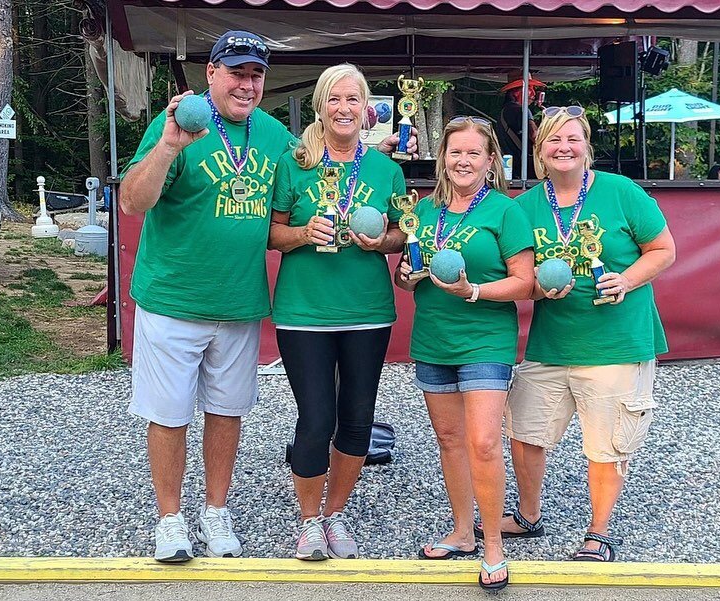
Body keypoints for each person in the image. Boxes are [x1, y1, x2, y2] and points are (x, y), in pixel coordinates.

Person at [120, 31, 415, 563]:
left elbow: (322, 161)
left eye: (256, 74)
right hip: (172, 296)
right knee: (168, 413)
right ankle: (169, 519)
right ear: (210, 73)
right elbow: (133, 201)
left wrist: (371, 152)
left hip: (240, 302)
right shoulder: (178, 127)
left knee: (226, 412)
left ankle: (215, 510)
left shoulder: (277, 136)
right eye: (236, 72)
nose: (246, 83)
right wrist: (167, 146)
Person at [501, 105, 676, 562]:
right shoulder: (523, 207)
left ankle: (597, 533)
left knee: (605, 443)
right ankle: (528, 514)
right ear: (539, 151)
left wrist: (627, 279)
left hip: (616, 342)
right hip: (552, 343)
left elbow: (663, 250)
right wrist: (537, 286)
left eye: (573, 139)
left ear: (587, 147)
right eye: (554, 141)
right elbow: (516, 272)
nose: (564, 148)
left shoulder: (620, 192)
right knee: (525, 431)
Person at [268, 63, 407, 561]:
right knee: (316, 418)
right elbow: (271, 233)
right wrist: (305, 234)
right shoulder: (296, 162)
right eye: (335, 99)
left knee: (356, 419)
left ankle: (336, 514)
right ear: (321, 107)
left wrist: (381, 242)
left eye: (354, 100)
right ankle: (308, 522)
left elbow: (401, 233)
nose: (345, 109)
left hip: (367, 311)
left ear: (366, 109)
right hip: (303, 312)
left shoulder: (385, 169)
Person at [395, 116, 535, 590]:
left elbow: (526, 281)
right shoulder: (425, 211)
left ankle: (492, 543)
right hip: (434, 338)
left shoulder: (504, 211)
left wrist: (474, 290)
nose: (463, 160)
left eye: (474, 153)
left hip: (485, 340)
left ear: (490, 160)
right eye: (455, 152)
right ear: (443, 158)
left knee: (483, 442)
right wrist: (405, 275)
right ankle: (462, 532)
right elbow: (407, 269)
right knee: (450, 440)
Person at [495, 73, 545, 180]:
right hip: (527, 172)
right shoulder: (522, 111)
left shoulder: (503, 112)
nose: (533, 93)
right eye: (529, 88)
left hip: (511, 170)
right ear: (516, 92)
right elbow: (537, 137)